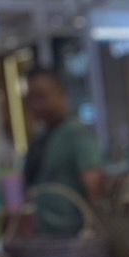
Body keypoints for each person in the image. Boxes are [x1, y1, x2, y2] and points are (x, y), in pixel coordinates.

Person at [22, 67, 103, 237]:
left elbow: (93, 183)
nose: (36, 104)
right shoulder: (43, 136)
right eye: (31, 98)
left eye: (42, 96)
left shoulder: (75, 134)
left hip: (73, 238)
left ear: (61, 95)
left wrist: (97, 230)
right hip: (46, 238)